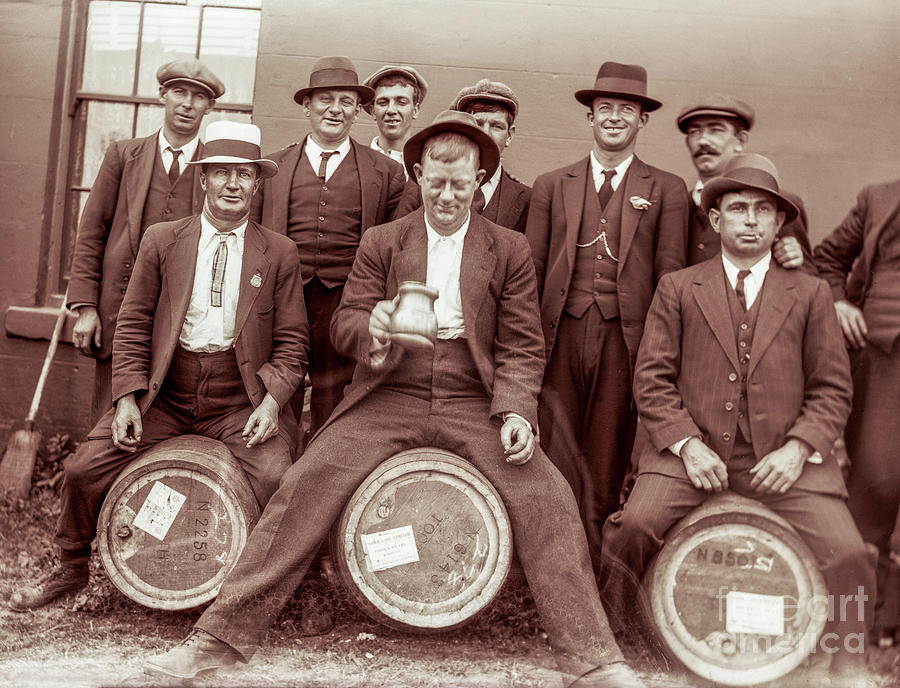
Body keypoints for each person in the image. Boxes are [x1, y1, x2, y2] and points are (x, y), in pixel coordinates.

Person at [144, 110, 646, 688]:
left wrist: (515, 410)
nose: (449, 196)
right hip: (391, 391)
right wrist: (375, 327)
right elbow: (346, 324)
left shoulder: (506, 249)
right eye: (436, 183)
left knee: (548, 496)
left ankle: (594, 662)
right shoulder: (384, 240)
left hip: (472, 396)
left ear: (480, 181)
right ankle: (219, 640)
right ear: (419, 177)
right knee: (306, 481)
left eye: (462, 184)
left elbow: (523, 345)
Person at [9, 122, 308, 612]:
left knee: (280, 478)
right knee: (83, 468)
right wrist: (127, 398)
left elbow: (294, 343)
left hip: (238, 399)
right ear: (204, 179)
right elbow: (132, 323)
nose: (233, 184)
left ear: (257, 184)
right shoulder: (163, 239)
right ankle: (70, 567)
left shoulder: (278, 252)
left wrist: (273, 402)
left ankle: (264, 591)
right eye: (222, 173)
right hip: (164, 394)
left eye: (244, 174)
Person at [602, 154, 875, 685]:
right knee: (630, 530)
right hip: (692, 456)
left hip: (783, 460)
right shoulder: (679, 287)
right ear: (716, 220)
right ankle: (621, 644)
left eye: (762, 211)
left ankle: (849, 661)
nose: (750, 219)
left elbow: (832, 389)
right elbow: (651, 382)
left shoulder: (812, 293)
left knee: (850, 554)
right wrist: (687, 444)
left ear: (778, 224)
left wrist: (798, 448)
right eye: (738, 209)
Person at [525, 61, 689, 560]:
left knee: (606, 455)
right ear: (589, 118)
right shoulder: (553, 183)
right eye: (605, 109)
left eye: (626, 109)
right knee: (552, 452)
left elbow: (669, 281)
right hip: (561, 335)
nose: (614, 117)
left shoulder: (667, 188)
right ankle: (545, 566)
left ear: (642, 120)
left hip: (625, 342)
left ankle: (594, 570)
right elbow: (528, 272)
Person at [252, 55, 406, 440]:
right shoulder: (272, 167)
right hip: (284, 296)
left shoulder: (386, 173)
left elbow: (393, 245)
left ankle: (321, 469)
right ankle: (279, 463)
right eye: (325, 99)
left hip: (346, 299)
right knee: (275, 387)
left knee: (333, 396)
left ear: (357, 110)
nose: (335, 109)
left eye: (346, 101)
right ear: (307, 106)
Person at [67, 59, 225, 425]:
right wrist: (86, 307)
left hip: (182, 320)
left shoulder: (214, 168)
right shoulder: (124, 156)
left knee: (160, 427)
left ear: (210, 107)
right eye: (179, 92)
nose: (187, 103)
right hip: (118, 315)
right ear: (163, 96)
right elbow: (92, 232)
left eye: (198, 97)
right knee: (105, 427)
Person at [813, 178, 900, 643]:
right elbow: (826, 258)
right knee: (872, 491)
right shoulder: (879, 198)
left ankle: (892, 625)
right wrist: (840, 301)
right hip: (883, 363)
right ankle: (856, 628)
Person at [676, 94, 812, 269]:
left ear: (740, 141)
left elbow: (807, 277)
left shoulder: (778, 202)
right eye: (694, 132)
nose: (702, 141)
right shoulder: (677, 204)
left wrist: (794, 259)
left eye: (715, 130)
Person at [451, 78, 531, 233]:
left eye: (497, 126)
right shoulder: (425, 187)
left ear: (509, 135)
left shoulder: (529, 199)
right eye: (478, 123)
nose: (486, 133)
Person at [361, 64, 428, 175]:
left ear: (415, 110)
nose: (391, 110)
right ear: (373, 111)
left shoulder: (428, 165)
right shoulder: (354, 162)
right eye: (383, 102)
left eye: (401, 102)